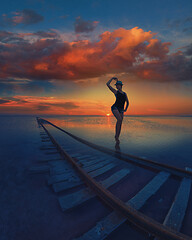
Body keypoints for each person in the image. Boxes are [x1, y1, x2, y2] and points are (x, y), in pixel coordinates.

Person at [106, 77, 129, 142]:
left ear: (121, 86)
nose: (116, 86)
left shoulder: (124, 94)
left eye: (117, 85)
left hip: (121, 109)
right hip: (115, 107)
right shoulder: (116, 92)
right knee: (119, 119)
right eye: (116, 85)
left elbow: (127, 102)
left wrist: (125, 109)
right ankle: (116, 136)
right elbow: (107, 84)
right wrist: (112, 78)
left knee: (120, 122)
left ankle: (117, 137)